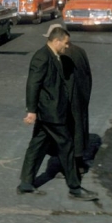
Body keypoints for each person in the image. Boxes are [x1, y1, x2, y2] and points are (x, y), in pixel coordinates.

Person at [17, 26, 97, 201]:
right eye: (66, 43)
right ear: (57, 41)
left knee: (36, 146)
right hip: (51, 113)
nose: (67, 47)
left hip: (50, 112)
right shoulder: (42, 57)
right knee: (67, 147)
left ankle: (26, 183)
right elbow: (33, 85)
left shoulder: (55, 56)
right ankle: (75, 188)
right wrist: (31, 110)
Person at [61, 34, 92, 174]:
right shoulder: (80, 51)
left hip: (69, 100)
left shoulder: (62, 56)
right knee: (80, 127)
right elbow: (88, 75)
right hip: (81, 97)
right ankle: (79, 162)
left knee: (68, 131)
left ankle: (70, 166)